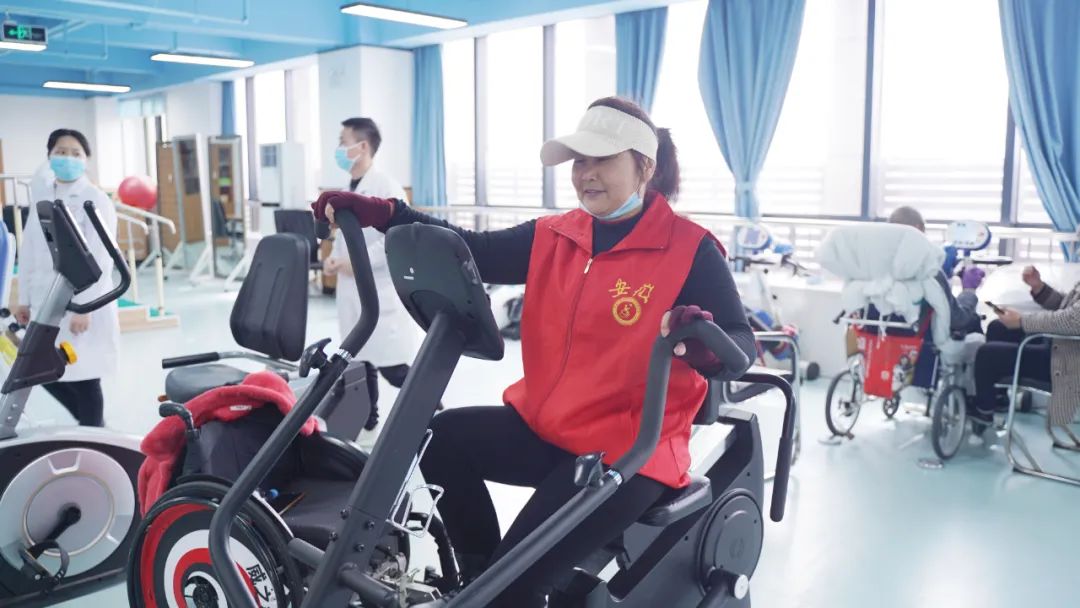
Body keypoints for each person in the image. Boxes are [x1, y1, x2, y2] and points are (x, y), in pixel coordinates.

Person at [313, 97, 756, 607]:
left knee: (516, 578)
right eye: (579, 161)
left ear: (645, 167)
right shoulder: (556, 234)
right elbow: (472, 248)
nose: (586, 173)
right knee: (441, 439)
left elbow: (741, 345)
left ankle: (501, 591)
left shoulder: (690, 249)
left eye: (602, 160)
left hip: (628, 452)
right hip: (548, 428)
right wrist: (389, 214)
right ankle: (480, 580)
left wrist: (703, 345)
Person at [322, 117, 426, 422]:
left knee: (393, 370)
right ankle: (369, 421)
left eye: (343, 142)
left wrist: (357, 262)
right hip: (352, 291)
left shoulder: (386, 187)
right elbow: (345, 237)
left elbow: (397, 239)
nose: (339, 148)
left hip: (378, 291)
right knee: (361, 363)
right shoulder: (348, 188)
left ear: (362, 146)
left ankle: (434, 414)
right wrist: (334, 259)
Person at [15, 128, 119, 427]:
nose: (68, 158)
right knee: (41, 369)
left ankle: (94, 433)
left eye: (76, 153)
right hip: (45, 299)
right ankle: (92, 428)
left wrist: (85, 306)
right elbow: (30, 250)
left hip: (79, 302)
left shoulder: (94, 199)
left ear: (86, 160)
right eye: (61, 152)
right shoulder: (44, 196)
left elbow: (101, 257)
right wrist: (24, 299)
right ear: (49, 156)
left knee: (85, 376)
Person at [969, 265, 1080, 426]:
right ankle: (998, 399)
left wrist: (1023, 321)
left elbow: (1072, 320)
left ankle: (983, 410)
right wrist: (1039, 288)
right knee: (998, 328)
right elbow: (1065, 307)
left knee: (987, 355)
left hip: (1067, 365)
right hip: (1063, 347)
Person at [887, 206, 985, 335]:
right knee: (975, 321)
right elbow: (957, 320)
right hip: (922, 341)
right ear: (918, 228)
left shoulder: (872, 269)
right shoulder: (929, 272)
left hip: (876, 338)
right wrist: (969, 290)